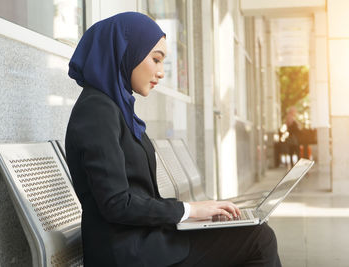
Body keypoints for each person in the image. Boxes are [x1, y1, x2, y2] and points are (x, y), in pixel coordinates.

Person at [65, 12, 281, 267]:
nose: (160, 72)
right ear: (126, 52)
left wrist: (198, 210)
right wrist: (190, 211)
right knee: (258, 238)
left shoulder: (114, 107)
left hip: (143, 241)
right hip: (127, 252)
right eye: (155, 60)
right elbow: (117, 203)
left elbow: (134, 195)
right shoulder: (97, 110)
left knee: (254, 232)